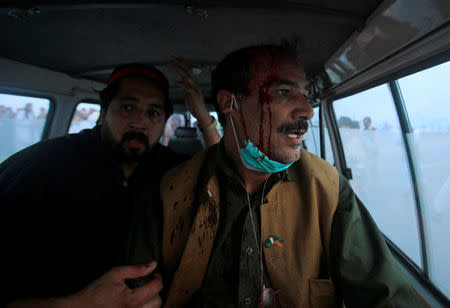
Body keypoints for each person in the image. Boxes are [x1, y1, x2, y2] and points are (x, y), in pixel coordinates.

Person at [141, 45, 421, 307]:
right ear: (230, 103)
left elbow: (386, 296)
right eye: (284, 92)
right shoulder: (172, 191)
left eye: (305, 95)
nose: (308, 111)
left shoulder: (327, 189)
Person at [0, 58, 220, 307]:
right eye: (128, 108)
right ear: (103, 112)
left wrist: (203, 116)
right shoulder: (42, 166)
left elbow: (226, 179)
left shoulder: (172, 169)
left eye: (153, 112)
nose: (140, 121)